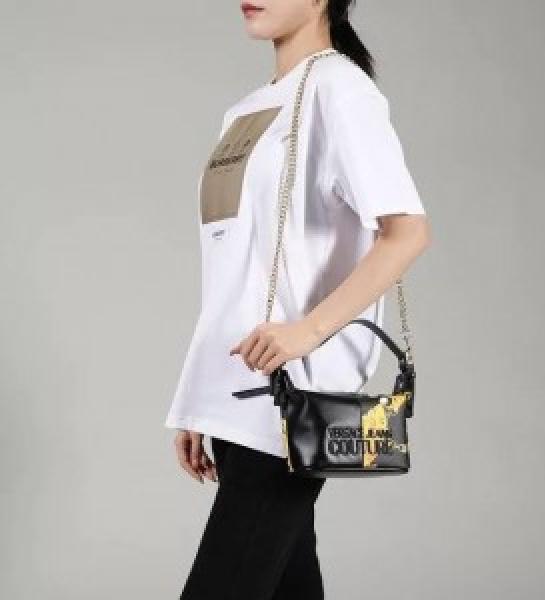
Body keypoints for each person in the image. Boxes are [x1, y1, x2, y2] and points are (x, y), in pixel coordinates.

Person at [165, 1, 431, 598]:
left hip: (294, 394)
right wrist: (197, 398)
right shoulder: (245, 111)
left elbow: (407, 232)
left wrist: (307, 332)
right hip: (238, 386)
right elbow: (235, 269)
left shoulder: (341, 89)